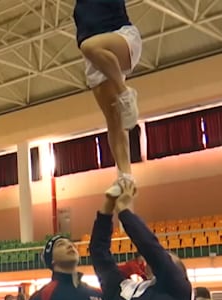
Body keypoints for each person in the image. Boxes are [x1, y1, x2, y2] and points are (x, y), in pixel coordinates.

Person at [73, 0, 142, 196]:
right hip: (96, 59)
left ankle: (125, 92)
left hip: (121, 40)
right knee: (113, 119)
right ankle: (125, 176)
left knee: (87, 46)